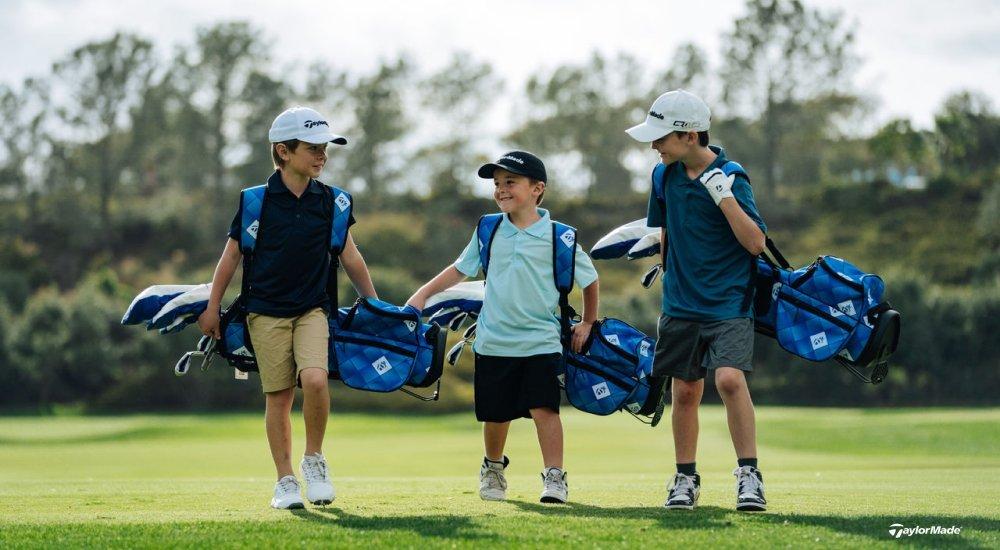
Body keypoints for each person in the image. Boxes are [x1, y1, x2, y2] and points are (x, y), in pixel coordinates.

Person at [197, 106, 377, 510]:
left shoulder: (334, 202)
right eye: (313, 148)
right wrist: (213, 307)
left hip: (313, 310)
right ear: (283, 151)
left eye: (325, 149)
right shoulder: (255, 202)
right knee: (278, 397)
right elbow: (231, 258)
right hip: (263, 313)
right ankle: (285, 481)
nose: (322, 156)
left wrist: (377, 305)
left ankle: (314, 461)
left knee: (314, 380)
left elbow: (350, 256)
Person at [407, 151, 599, 504]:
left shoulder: (560, 237)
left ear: (537, 188)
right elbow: (460, 268)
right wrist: (422, 294)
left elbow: (589, 279)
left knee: (546, 409)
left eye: (510, 182)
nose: (501, 189)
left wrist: (587, 321)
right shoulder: (488, 228)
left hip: (541, 340)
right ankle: (493, 469)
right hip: (494, 340)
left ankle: (554, 477)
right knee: (495, 415)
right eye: (497, 184)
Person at [626, 90, 769, 511]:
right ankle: (685, 479)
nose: (654, 145)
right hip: (680, 306)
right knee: (685, 391)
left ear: (689, 136)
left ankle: (749, 475)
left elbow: (756, 243)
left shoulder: (732, 175)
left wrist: (723, 196)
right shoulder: (662, 176)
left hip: (728, 303)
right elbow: (666, 228)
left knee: (728, 379)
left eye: (661, 137)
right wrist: (668, 267)